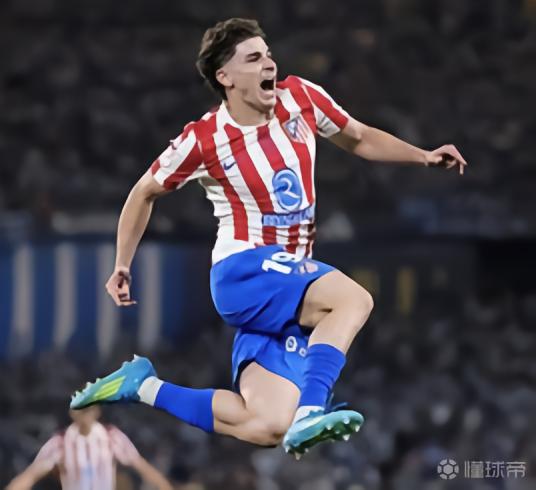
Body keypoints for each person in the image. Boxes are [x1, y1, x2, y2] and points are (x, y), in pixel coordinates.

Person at [70, 18, 467, 458]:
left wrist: (423, 156)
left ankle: (142, 386)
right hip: (244, 269)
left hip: (287, 284)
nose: (269, 64)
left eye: (269, 55)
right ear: (225, 77)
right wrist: (122, 264)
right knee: (353, 300)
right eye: (254, 58)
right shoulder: (203, 139)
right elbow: (144, 191)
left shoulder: (301, 98)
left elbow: (358, 137)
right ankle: (312, 410)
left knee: (267, 425)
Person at [5, 406, 173, 490]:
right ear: (72, 412)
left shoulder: (111, 436)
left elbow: (142, 467)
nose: (85, 414)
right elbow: (30, 476)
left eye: (88, 408)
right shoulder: (60, 442)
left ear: (96, 411)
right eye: (80, 409)